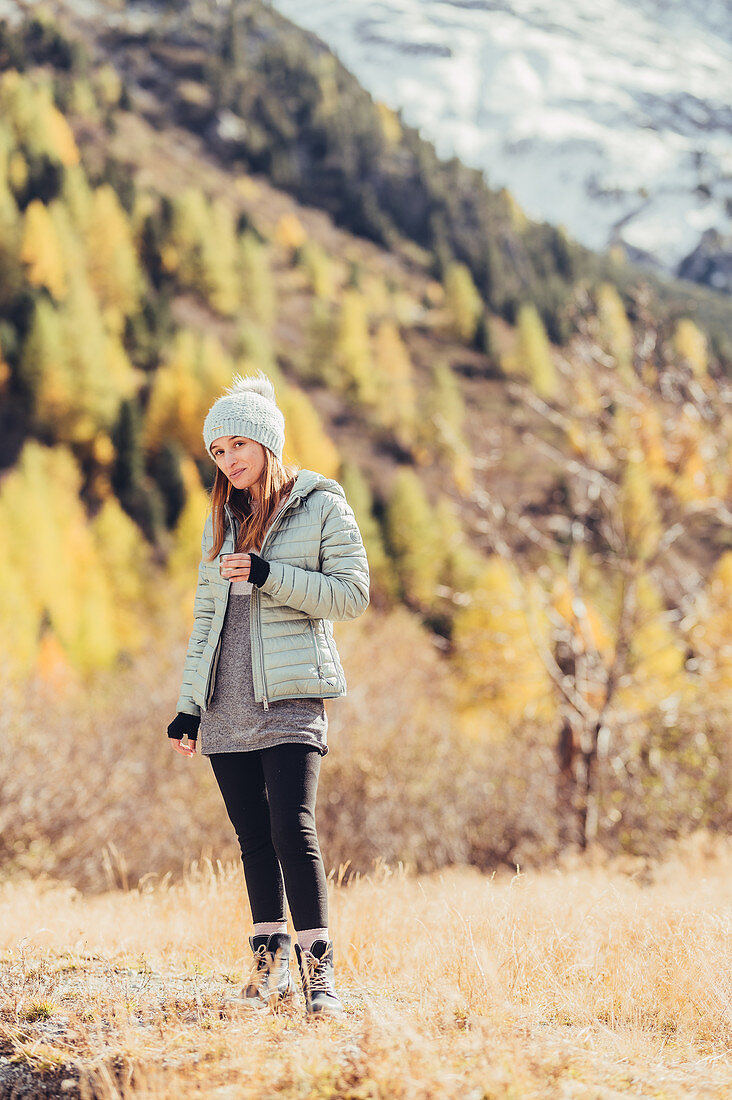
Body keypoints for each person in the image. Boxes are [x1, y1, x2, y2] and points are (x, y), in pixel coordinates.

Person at [166, 370, 370, 1017]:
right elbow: (206, 620)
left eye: (237, 446)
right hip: (225, 701)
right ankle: (267, 970)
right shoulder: (218, 521)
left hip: (290, 694)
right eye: (218, 452)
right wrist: (188, 703)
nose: (228, 460)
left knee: (293, 830)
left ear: (266, 441)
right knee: (252, 836)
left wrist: (269, 575)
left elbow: (352, 594)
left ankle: (320, 981)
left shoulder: (321, 504)